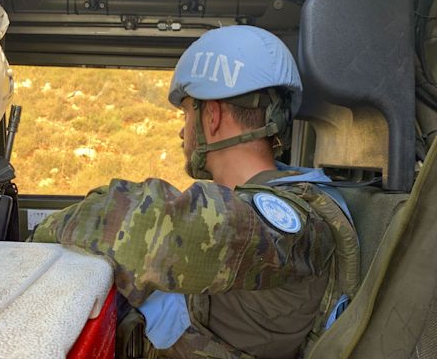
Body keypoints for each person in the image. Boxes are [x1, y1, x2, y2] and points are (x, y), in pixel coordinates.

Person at [32, 25, 358, 359]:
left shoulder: (291, 224)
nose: (181, 129)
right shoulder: (259, 211)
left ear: (212, 116)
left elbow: (140, 224)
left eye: (188, 112)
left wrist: (36, 237)